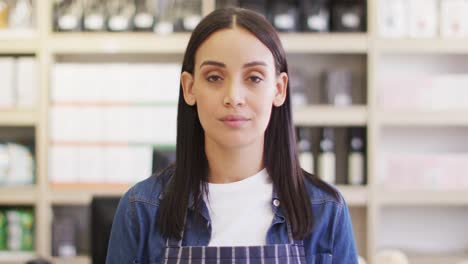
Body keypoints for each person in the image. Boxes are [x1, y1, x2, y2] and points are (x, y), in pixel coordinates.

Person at [106, 7, 358, 264]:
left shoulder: (326, 211)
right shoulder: (141, 210)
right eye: (214, 77)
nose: (233, 97)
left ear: (279, 89)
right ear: (189, 88)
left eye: (254, 78)